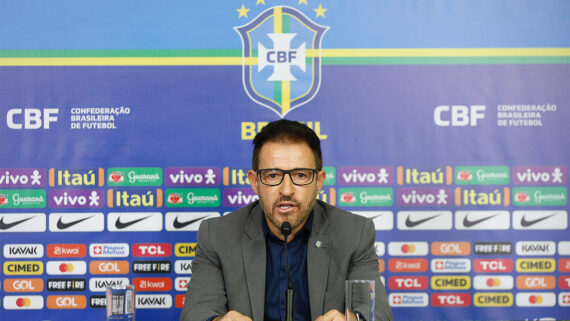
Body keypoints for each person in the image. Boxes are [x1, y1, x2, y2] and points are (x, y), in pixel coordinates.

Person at [180, 119, 393, 321]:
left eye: (300, 175)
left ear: (318, 181)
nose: (286, 190)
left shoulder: (354, 233)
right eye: (273, 175)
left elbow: (376, 314)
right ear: (255, 182)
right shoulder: (217, 235)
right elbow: (196, 312)